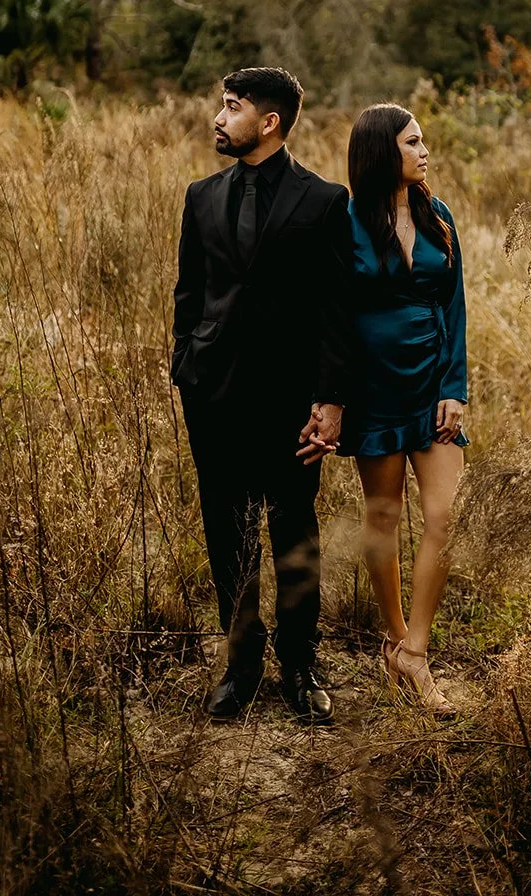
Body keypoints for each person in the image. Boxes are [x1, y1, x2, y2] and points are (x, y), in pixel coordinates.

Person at [171, 67, 354, 725]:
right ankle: (241, 661)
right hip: (211, 389)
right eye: (222, 107)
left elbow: (339, 309)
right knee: (226, 526)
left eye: (231, 107)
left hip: (290, 396)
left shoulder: (324, 201)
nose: (218, 118)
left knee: (291, 525)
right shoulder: (200, 196)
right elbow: (189, 292)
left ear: (268, 121)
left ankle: (301, 663)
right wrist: (183, 364)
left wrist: (330, 400)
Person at [337, 103, 467, 717]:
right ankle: (392, 640)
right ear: (381, 152)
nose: (424, 151)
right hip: (374, 392)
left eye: (424, 141)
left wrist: (456, 387)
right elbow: (331, 316)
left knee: (445, 517)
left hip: (433, 388)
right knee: (383, 519)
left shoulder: (437, 217)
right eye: (413, 142)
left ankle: (416, 649)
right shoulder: (346, 222)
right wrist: (331, 395)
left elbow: (455, 308)